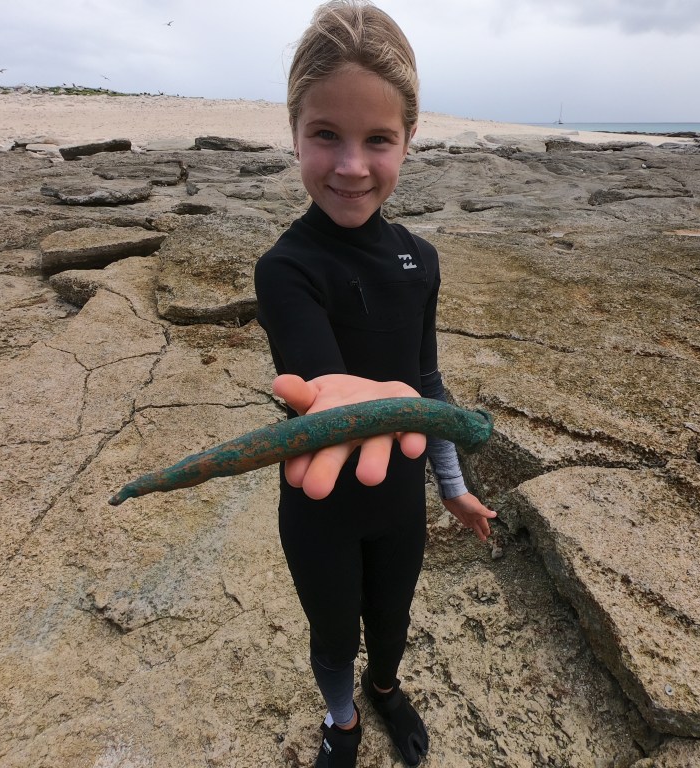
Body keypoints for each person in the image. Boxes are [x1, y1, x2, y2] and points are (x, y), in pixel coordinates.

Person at [254, 2, 496, 765]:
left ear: (408, 140)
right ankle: (343, 720)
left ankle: (385, 689)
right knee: (332, 635)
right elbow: (325, 385)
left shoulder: (420, 260)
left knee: (391, 623)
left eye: (378, 140)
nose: (352, 166)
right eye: (326, 134)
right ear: (295, 132)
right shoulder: (285, 270)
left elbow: (428, 380)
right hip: (319, 506)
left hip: (399, 504)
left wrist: (452, 485)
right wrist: (366, 399)